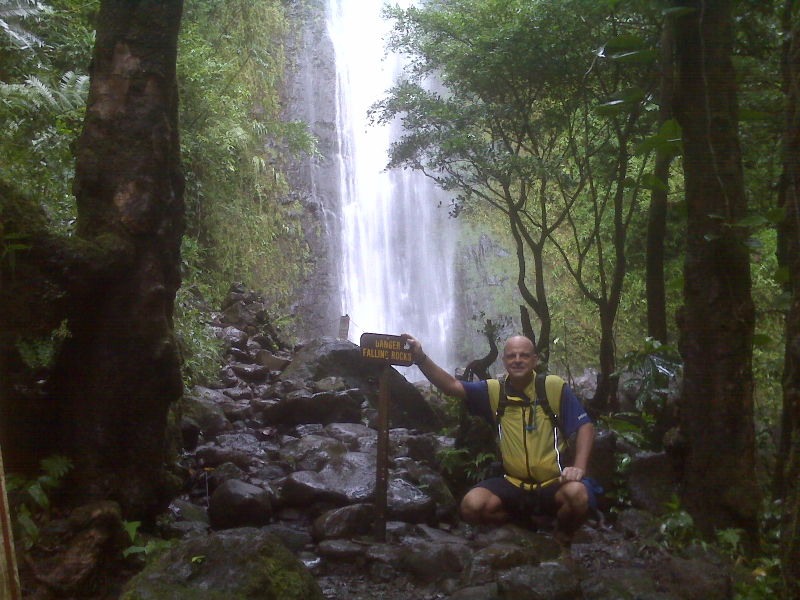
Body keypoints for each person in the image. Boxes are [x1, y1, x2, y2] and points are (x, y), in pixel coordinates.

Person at [402, 333, 597, 542]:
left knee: (577, 495)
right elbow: (452, 386)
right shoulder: (494, 391)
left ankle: (562, 535)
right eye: (512, 356)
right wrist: (421, 358)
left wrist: (579, 467)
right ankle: (523, 527)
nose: (518, 360)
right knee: (472, 506)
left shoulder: (553, 387)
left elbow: (585, 426)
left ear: (535, 359)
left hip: (553, 481)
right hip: (514, 483)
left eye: (524, 355)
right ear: (504, 361)